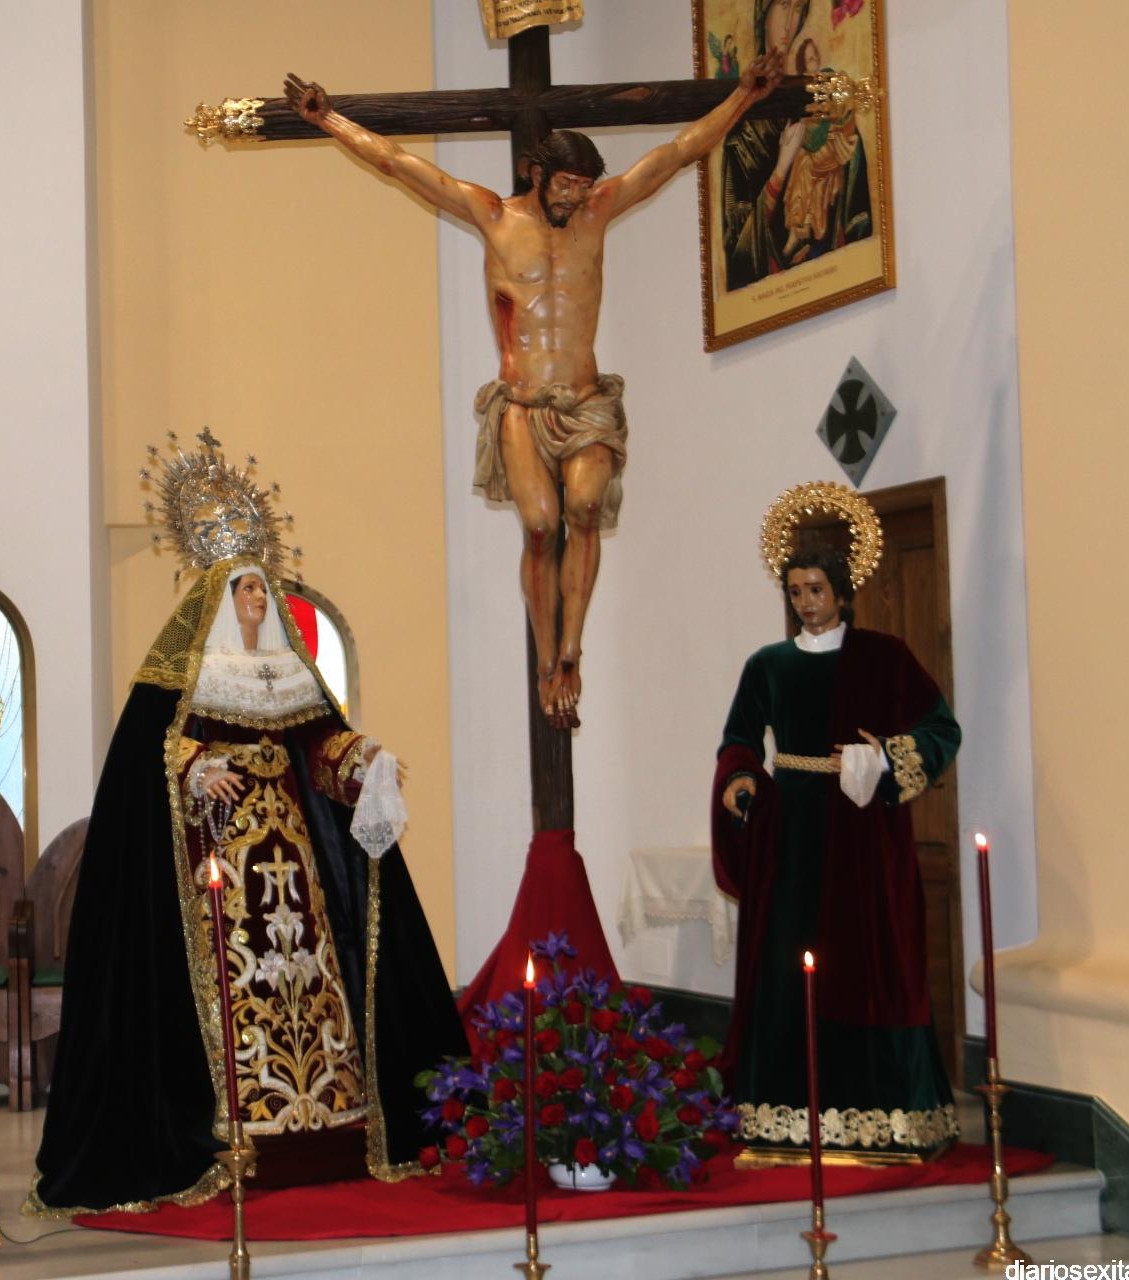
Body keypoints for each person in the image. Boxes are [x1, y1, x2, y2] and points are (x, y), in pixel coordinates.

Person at [286, 59, 780, 727]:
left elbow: (676, 153)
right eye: (566, 185)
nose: (575, 198)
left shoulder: (598, 213)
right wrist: (329, 119)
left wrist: (743, 97)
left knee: (585, 506)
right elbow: (399, 164)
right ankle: (547, 659)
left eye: (584, 186)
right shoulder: (493, 215)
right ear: (536, 174)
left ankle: (572, 651)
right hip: (522, 405)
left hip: (586, 401)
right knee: (543, 528)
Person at [30, 550, 465, 1214]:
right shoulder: (184, 675)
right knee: (235, 982)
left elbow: (320, 748)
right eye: (247, 588)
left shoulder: (292, 676)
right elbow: (154, 751)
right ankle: (234, 1122)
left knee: (309, 978)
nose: (260, 597)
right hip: (224, 870)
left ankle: (327, 1116)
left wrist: (364, 758)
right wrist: (197, 767)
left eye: (265, 587)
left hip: (294, 867)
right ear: (218, 602)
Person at [711, 540, 960, 1161]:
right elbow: (739, 739)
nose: (806, 602)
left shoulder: (885, 656)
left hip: (864, 836)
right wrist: (740, 778)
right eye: (795, 591)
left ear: (842, 593)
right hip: (791, 837)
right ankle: (786, 1113)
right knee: (789, 962)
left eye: (816, 590)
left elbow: (941, 729)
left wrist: (884, 757)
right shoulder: (768, 664)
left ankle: (885, 1114)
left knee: (868, 959)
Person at [719, 0, 875, 290]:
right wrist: (781, 169)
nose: (791, 20)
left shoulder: (814, 99)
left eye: (799, 7)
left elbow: (857, 208)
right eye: (783, 5)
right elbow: (738, 256)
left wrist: (841, 155)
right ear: (763, 13)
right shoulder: (742, 140)